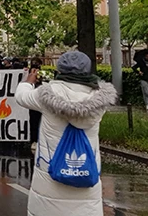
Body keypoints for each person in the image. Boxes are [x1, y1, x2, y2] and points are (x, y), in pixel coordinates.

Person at [16, 50, 116, 216]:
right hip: (86, 181)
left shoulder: (45, 95)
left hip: (49, 184)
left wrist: (27, 82)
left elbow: (21, 97)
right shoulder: (100, 100)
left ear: (60, 70)